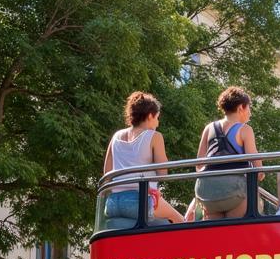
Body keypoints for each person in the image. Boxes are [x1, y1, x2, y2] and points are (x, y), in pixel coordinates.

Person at [102, 92, 184, 225]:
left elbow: (107, 173)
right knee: (180, 221)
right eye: (157, 117)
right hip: (140, 202)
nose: (158, 122)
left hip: (113, 203)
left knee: (159, 225)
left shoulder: (116, 136)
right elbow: (163, 174)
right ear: (150, 115)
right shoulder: (154, 136)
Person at [190, 86, 261, 220]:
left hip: (206, 191)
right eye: (249, 108)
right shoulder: (245, 130)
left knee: (215, 237)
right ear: (241, 108)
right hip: (234, 190)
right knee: (236, 234)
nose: (250, 113)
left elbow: (199, 164)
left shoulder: (209, 128)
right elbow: (258, 167)